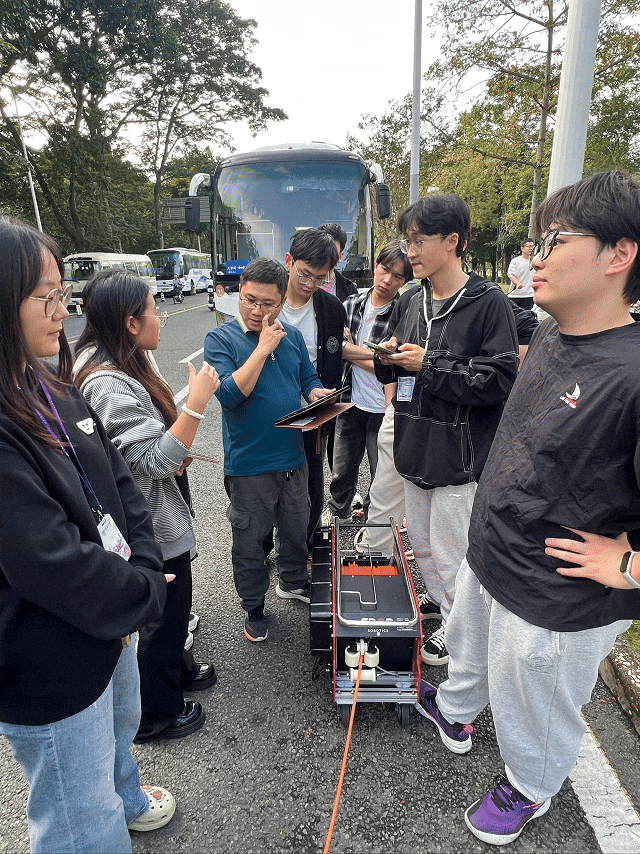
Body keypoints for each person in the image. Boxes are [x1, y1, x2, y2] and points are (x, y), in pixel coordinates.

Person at [414, 169, 640, 846]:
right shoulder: (547, 333)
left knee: (533, 695)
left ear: (618, 255)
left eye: (555, 240)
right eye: (536, 242)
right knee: (469, 648)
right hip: (494, 551)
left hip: (558, 594)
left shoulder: (632, 373)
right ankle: (454, 710)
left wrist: (631, 562)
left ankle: (530, 785)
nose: (533, 257)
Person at [0, 216, 175, 852]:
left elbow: (118, 483)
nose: (63, 308)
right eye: (45, 296)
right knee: (79, 818)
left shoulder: (49, 380)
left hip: (108, 615)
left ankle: (126, 794)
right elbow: (46, 560)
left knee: (118, 725)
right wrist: (145, 591)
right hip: (48, 652)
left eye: (61, 292)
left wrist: (144, 568)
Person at [75, 270, 220, 742]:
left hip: (155, 513)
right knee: (162, 615)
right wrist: (196, 403)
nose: (161, 314)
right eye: (155, 306)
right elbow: (155, 460)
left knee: (175, 610)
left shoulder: (127, 361)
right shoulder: (107, 382)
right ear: (131, 322)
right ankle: (157, 713)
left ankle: (175, 673)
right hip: (147, 522)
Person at [375, 193, 518, 666]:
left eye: (419, 240)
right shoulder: (412, 298)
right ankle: (448, 618)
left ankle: (465, 649)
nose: (409, 251)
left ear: (453, 241)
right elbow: (393, 364)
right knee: (424, 549)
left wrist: (428, 363)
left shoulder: (487, 301)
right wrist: (389, 358)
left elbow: (498, 380)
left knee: (456, 557)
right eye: (407, 240)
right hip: (415, 447)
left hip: (459, 462)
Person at [203, 259, 334, 642]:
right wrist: (261, 349)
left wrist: (317, 394)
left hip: (294, 457)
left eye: (269, 304)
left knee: (296, 531)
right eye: (250, 300)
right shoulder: (221, 340)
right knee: (249, 541)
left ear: (282, 303)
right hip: (250, 465)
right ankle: (253, 606)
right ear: (239, 292)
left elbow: (307, 377)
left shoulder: (290, 337)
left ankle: (293, 582)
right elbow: (229, 394)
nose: (258, 311)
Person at [323, 239, 412, 524]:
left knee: (383, 471)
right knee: (342, 469)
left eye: (398, 276)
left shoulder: (405, 312)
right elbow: (337, 351)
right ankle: (339, 513)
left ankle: (378, 521)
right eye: (384, 269)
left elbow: (398, 366)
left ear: (405, 280)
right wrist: (379, 357)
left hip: (384, 408)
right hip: (350, 403)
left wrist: (357, 354)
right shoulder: (350, 304)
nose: (387, 280)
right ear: (375, 265)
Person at [280, 228, 355, 553]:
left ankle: (305, 547)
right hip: (265, 416)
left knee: (311, 485)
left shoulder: (330, 308)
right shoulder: (266, 302)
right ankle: (271, 543)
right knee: (264, 489)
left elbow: (332, 360)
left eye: (320, 279)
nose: (310, 284)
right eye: (305, 275)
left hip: (310, 417)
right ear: (288, 261)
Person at [317, 222, 359, 302]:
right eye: (322, 248)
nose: (325, 254)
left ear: (340, 256)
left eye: (332, 250)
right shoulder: (304, 283)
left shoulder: (349, 290)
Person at [507, 237, 535, 309]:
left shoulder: (534, 262)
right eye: (528, 246)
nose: (531, 248)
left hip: (529, 295)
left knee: (527, 317)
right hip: (515, 295)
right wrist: (518, 283)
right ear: (522, 248)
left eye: (532, 246)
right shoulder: (515, 261)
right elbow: (511, 275)